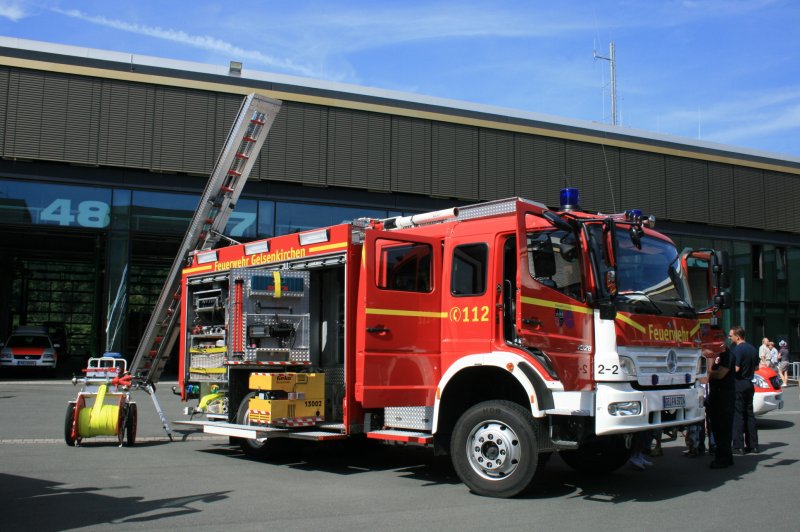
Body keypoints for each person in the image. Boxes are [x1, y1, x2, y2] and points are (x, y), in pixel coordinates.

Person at [730, 326, 759, 455]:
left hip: (739, 383)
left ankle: (738, 446)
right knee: (750, 415)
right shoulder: (752, 348)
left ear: (737, 336)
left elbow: (735, 369)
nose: (729, 338)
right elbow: (757, 367)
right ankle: (753, 445)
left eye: (731, 336)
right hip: (749, 383)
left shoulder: (738, 349)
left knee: (738, 415)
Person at [708, 344, 736, 468]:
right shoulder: (715, 354)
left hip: (724, 396)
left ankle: (724, 458)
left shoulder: (727, 354)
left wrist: (707, 373)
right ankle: (724, 456)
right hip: (716, 394)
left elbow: (721, 374)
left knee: (723, 428)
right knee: (716, 427)